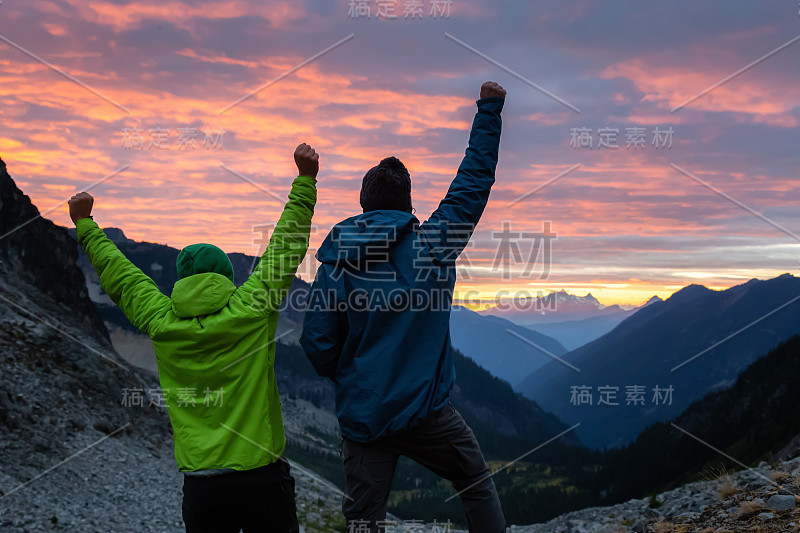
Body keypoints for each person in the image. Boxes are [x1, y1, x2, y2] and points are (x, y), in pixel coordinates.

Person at [69, 143, 320, 533]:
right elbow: (285, 249)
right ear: (226, 277)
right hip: (262, 479)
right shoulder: (252, 307)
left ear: (181, 282)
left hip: (202, 487)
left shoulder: (160, 319)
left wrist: (85, 223)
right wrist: (305, 180)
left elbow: (121, 277)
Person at [300, 82, 507, 532]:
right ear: (408, 204)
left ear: (363, 204)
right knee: (474, 481)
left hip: (363, 416)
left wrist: (356, 374)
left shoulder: (336, 262)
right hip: (428, 412)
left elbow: (316, 342)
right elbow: (473, 183)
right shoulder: (434, 244)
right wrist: (489, 110)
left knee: (363, 518)